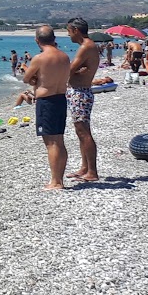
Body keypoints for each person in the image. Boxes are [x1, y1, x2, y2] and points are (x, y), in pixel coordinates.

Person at [23, 25, 71, 189]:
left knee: (51, 143)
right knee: (59, 140)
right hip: (61, 99)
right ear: (54, 39)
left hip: (46, 101)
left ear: (37, 40)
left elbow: (26, 78)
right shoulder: (64, 56)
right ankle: (60, 179)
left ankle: (56, 181)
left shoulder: (39, 58)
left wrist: (33, 78)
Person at [65, 19, 101, 183]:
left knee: (83, 132)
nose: (68, 34)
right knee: (81, 132)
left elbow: (69, 70)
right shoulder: (88, 46)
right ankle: (85, 167)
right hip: (79, 92)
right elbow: (74, 70)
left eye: (69, 31)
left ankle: (92, 171)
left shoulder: (86, 46)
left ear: (75, 30)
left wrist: (74, 71)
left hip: (80, 93)